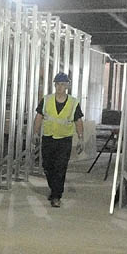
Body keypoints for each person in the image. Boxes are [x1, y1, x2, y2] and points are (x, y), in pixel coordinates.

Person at [32, 72, 84, 208]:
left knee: (60, 167)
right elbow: (39, 117)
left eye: (63, 84)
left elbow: (78, 120)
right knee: (48, 166)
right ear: (54, 85)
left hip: (64, 140)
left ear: (67, 86)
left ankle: (56, 196)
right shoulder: (46, 100)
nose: (60, 87)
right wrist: (35, 133)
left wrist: (80, 138)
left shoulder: (73, 102)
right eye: (58, 84)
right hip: (48, 138)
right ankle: (54, 189)